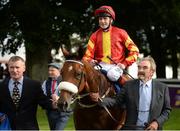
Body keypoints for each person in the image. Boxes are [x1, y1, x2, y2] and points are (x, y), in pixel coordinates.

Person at [90, 56, 171, 130]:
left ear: (152, 72)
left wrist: (156, 123)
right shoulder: (128, 85)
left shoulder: (162, 88)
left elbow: (166, 110)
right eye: (139, 67)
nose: (141, 70)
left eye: (145, 68)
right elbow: (116, 101)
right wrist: (100, 99)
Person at [82, 5, 139, 93]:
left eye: (105, 19)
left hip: (116, 66)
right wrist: (90, 61)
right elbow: (86, 56)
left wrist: (124, 63)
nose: (102, 21)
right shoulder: (94, 36)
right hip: (100, 65)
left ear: (111, 20)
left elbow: (135, 50)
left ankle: (128, 94)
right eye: (100, 19)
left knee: (112, 75)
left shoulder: (121, 33)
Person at [0, 56, 58, 130]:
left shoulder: (34, 85)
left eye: (17, 67)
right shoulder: (1, 86)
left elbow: (44, 102)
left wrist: (55, 104)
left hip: (29, 127)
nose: (14, 70)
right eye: (11, 67)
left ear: (24, 68)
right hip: (7, 127)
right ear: (8, 68)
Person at [41, 63, 72, 130]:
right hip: (51, 111)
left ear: (59, 71)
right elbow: (43, 96)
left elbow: (71, 96)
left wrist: (59, 98)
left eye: (52, 70)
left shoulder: (65, 81)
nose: (50, 72)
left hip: (63, 111)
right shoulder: (45, 83)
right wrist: (49, 102)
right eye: (49, 70)